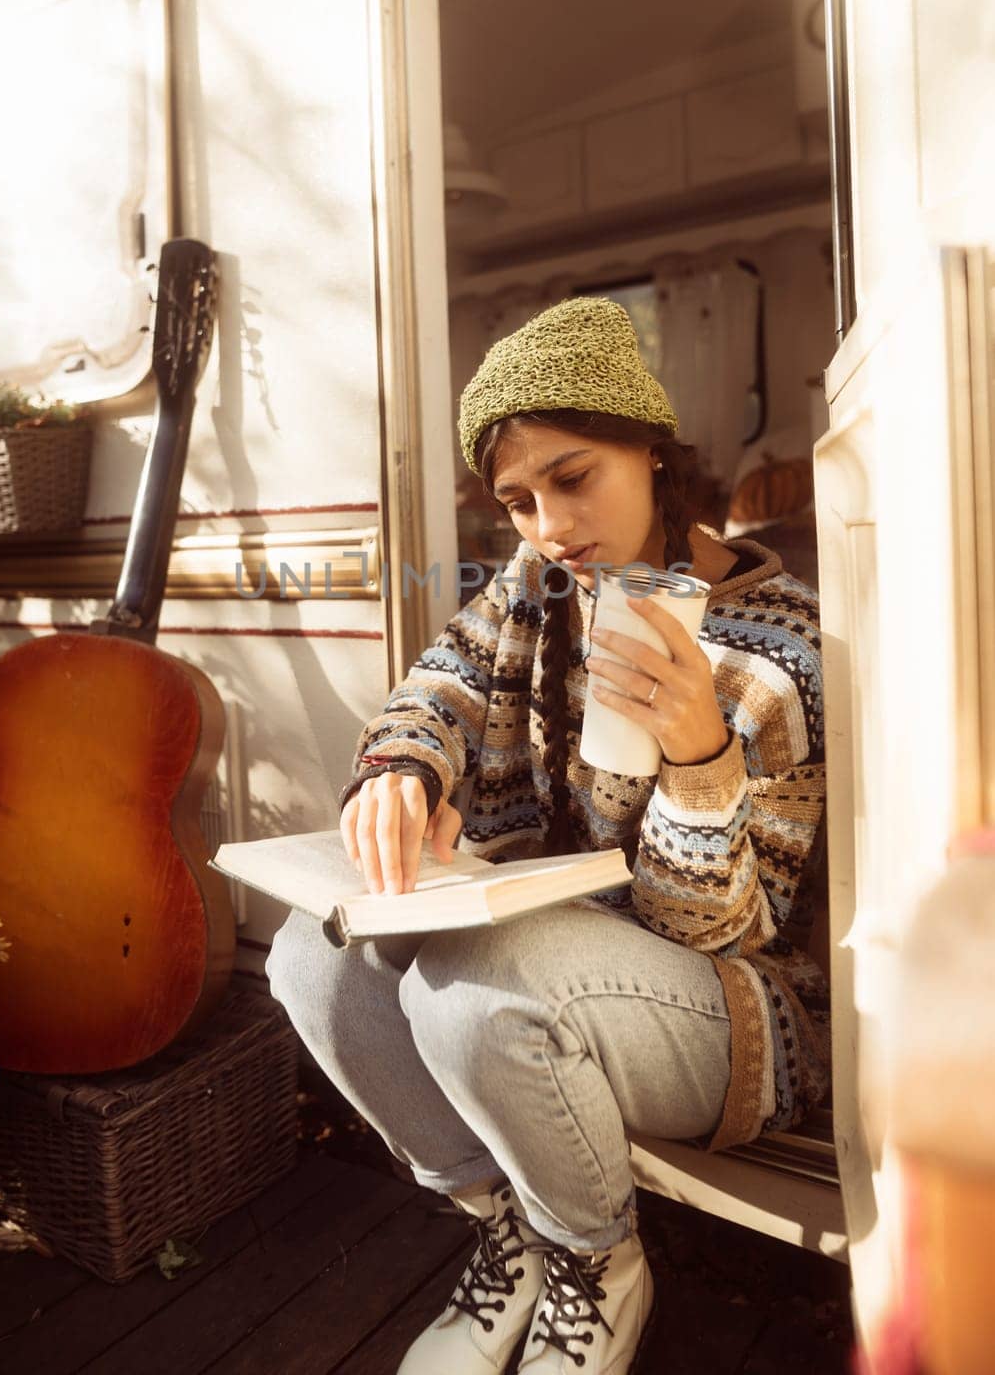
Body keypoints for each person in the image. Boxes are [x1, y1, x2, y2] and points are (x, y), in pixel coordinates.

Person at [266, 296, 829, 1375]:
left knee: (474, 986)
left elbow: (710, 930)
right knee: (309, 954)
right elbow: (437, 683)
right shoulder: (534, 587)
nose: (549, 527)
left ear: (651, 451)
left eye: (573, 479)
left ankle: (594, 1263)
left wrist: (699, 754)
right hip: (553, 953)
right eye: (518, 500)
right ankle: (508, 1228)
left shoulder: (774, 633)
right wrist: (398, 769)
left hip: (732, 1010)